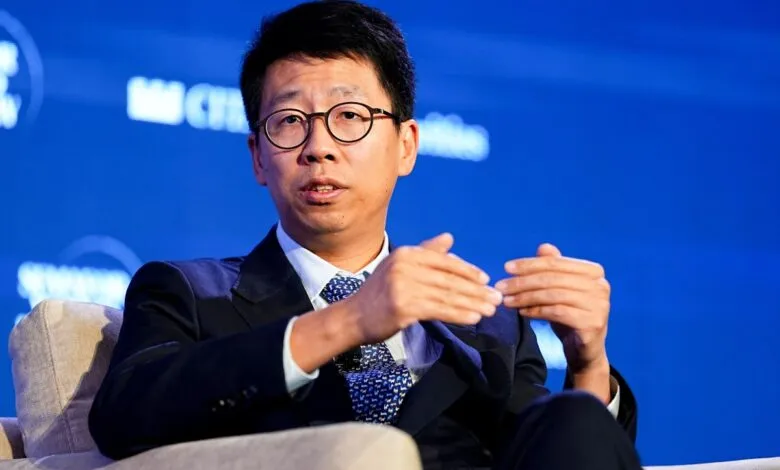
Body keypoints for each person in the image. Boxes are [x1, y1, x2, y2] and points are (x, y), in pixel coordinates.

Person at [88, 1, 641, 468]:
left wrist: (589, 362)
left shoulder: (487, 324)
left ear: (406, 145)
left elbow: (547, 454)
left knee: (573, 416)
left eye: (349, 116)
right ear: (258, 158)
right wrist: (352, 318)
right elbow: (124, 416)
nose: (318, 147)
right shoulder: (187, 292)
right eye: (288, 122)